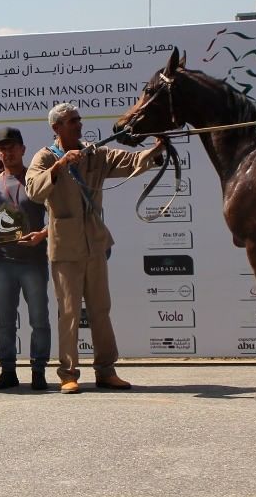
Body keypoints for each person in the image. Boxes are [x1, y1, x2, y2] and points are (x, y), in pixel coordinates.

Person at [25, 102, 163, 395]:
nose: (78, 124)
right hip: (65, 248)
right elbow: (34, 190)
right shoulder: (45, 156)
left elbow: (131, 162)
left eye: (79, 119)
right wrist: (60, 165)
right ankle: (68, 374)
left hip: (95, 244)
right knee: (70, 312)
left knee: (101, 309)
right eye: (72, 121)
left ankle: (106, 371)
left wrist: (158, 148)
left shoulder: (95, 153)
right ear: (56, 128)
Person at [0, 126, 50, 391]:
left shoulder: (37, 180)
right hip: (4, 261)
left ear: (23, 149)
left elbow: (55, 216)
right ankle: (8, 370)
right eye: (3, 148)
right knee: (6, 321)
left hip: (34, 261)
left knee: (39, 319)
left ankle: (39, 371)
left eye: (12, 147)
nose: (8, 152)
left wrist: (42, 234)